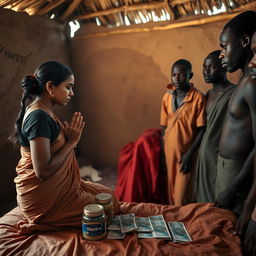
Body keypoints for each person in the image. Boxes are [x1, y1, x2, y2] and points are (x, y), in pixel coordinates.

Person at [9, 60, 119, 232]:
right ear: (50, 86)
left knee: (109, 197)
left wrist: (67, 140)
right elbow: (42, 171)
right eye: (68, 87)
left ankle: (51, 219)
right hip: (42, 201)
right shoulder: (39, 118)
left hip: (58, 192)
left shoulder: (45, 112)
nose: (72, 93)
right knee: (105, 210)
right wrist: (71, 143)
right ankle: (44, 223)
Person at [212, 10, 256, 255]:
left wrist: (235, 188)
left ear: (245, 42)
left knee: (234, 242)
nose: (222, 54)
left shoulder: (251, 84)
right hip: (228, 169)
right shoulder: (244, 80)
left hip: (238, 175)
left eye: (224, 46)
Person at [160, 59, 206, 205]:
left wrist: (190, 154)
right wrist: (163, 152)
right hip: (169, 152)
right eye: (174, 75)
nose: (177, 79)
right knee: (170, 193)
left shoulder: (198, 98)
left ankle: (182, 222)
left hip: (186, 154)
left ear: (190, 75)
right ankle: (174, 224)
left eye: (181, 75)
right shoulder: (167, 97)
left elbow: (201, 129)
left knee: (181, 196)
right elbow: (164, 126)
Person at [195, 50, 235, 203]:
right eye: (204, 66)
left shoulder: (233, 94)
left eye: (211, 67)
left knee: (216, 202)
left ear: (224, 67)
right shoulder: (207, 95)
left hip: (220, 157)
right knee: (202, 202)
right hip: (204, 155)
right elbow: (203, 127)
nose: (206, 71)